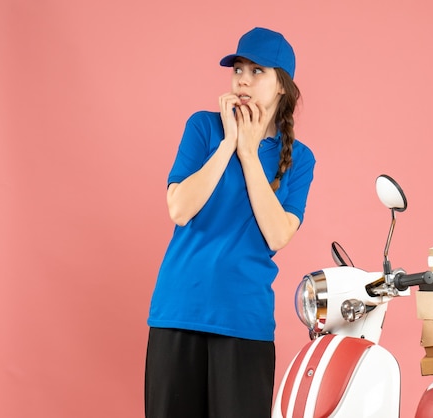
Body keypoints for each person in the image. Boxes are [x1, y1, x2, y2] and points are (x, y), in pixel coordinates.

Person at [144, 27, 315, 418]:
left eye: (258, 71)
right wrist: (227, 145)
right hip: (178, 310)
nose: (243, 79)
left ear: (282, 87)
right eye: (239, 68)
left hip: (244, 320)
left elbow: (277, 233)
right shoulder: (203, 128)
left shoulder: (300, 160)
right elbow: (179, 209)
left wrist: (250, 153)